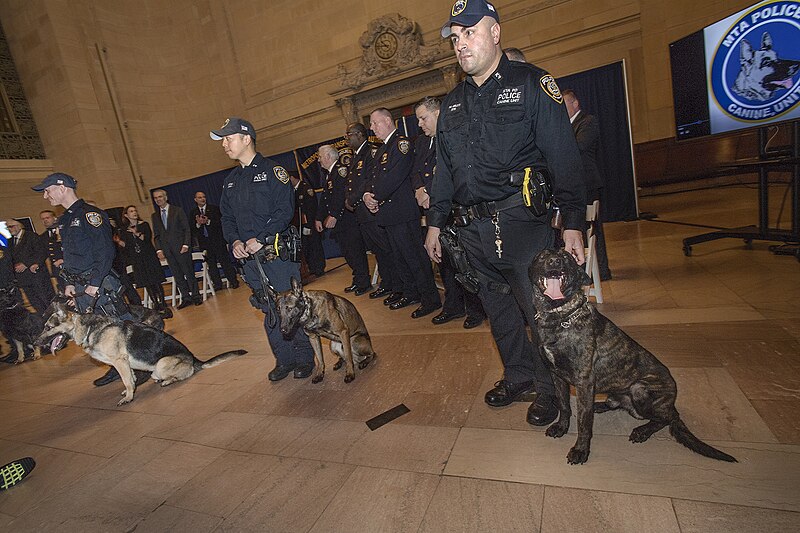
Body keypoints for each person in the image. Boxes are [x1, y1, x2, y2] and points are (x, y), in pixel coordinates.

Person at [426, 2, 586, 425]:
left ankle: (550, 390)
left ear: (495, 33)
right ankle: (519, 377)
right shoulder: (454, 103)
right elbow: (444, 170)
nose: (461, 45)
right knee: (499, 312)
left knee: (539, 315)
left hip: (521, 224)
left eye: (470, 33)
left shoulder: (533, 84)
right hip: (473, 231)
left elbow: (564, 156)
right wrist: (435, 223)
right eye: (455, 39)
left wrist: (573, 222)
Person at [210, 117, 314, 381]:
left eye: (228, 138)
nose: (225, 145)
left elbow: (284, 210)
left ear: (246, 139)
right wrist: (234, 241)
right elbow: (227, 217)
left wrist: (263, 237)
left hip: (275, 253)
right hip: (250, 260)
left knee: (289, 306)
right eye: (223, 140)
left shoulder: (273, 171)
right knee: (267, 307)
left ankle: (304, 358)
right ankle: (284, 359)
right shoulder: (230, 181)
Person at [32, 172, 140, 387]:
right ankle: (115, 366)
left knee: (120, 326)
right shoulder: (65, 219)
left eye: (48, 190)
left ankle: (139, 364)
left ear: (62, 187)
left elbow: (105, 252)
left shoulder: (91, 214)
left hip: (97, 284)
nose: (45, 195)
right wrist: (69, 283)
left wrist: (94, 284)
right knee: (98, 331)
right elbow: (72, 256)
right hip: (80, 285)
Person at [412, 96, 485, 329]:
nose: (420, 124)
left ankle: (476, 309)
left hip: (455, 208)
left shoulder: (455, 134)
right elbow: (416, 171)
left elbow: (458, 172)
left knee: (466, 262)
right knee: (444, 260)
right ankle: (453, 306)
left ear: (437, 113)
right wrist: (420, 189)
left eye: (423, 118)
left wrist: (433, 193)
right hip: (435, 211)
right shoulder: (423, 142)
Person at [364, 108, 441, 319]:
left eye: (374, 123)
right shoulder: (381, 149)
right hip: (388, 213)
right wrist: (368, 195)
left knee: (414, 257)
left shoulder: (401, 144)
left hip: (402, 211)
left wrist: (376, 195)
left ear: (388, 121)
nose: (372, 128)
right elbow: (374, 177)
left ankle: (430, 299)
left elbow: (394, 177)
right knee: (400, 258)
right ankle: (411, 292)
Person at [344, 122, 399, 302]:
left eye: (349, 134)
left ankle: (397, 285)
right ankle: (388, 283)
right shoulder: (355, 156)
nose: (347, 138)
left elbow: (368, 180)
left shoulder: (370, 152)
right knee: (378, 251)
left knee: (386, 250)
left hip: (370, 211)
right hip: (362, 213)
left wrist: (353, 199)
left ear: (360, 135)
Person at [563, 89, 612, 281]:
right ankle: (585, 270)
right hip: (576, 184)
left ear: (575, 104)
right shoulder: (567, 126)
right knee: (581, 228)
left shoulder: (587, 121)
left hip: (588, 183)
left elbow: (579, 147)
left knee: (593, 230)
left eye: (565, 103)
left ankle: (602, 270)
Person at [314, 145, 371, 295]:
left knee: (355, 251)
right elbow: (326, 199)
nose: (319, 160)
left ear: (328, 156)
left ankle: (364, 282)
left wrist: (334, 214)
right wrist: (319, 218)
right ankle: (358, 279)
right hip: (341, 223)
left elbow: (341, 194)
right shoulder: (329, 174)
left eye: (320, 157)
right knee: (348, 252)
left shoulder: (340, 170)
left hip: (348, 220)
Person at [151, 189, 202, 309]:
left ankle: (196, 296)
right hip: (168, 251)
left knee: (189, 273)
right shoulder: (155, 216)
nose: (158, 199)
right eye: (155, 198)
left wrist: (186, 245)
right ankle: (185, 297)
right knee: (177, 275)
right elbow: (157, 235)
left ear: (165, 197)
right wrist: (159, 250)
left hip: (181, 248)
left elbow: (187, 229)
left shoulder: (177, 210)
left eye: (160, 197)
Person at [121, 205, 172, 318]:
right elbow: (127, 246)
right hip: (138, 259)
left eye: (135, 210)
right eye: (131, 211)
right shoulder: (124, 230)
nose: (134, 212)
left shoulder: (143, 224)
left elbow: (146, 239)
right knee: (147, 282)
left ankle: (162, 303)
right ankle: (156, 304)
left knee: (155, 280)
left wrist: (136, 233)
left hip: (148, 256)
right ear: (126, 215)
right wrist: (119, 242)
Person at [190, 191, 240, 291]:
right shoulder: (193, 212)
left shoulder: (214, 209)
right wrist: (198, 224)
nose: (202, 199)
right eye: (200, 197)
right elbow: (192, 229)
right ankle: (217, 284)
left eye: (204, 197)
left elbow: (221, 223)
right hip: (205, 243)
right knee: (211, 265)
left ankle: (233, 281)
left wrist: (208, 221)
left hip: (218, 241)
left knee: (225, 262)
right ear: (195, 200)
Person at [5, 219, 54, 316]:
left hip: (37, 276)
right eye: (8, 227)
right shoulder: (10, 242)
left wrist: (26, 264)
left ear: (18, 226)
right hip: (23, 279)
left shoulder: (31, 236)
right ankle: (43, 322)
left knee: (46, 301)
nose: (10, 229)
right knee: (35, 303)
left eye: (11, 226)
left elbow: (41, 252)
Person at [290, 173, 326, 278]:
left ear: (292, 177)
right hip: (300, 224)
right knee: (307, 247)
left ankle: (319, 268)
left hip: (310, 223)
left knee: (315, 246)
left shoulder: (306, 188)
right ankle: (312, 268)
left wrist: (310, 225)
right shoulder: (294, 191)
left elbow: (311, 208)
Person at [39, 210, 65, 291]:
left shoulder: (63, 231)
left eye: (47, 218)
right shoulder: (43, 236)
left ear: (54, 218)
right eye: (42, 219)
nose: (45, 220)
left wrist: (63, 260)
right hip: (57, 269)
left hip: (67, 265)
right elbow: (44, 253)